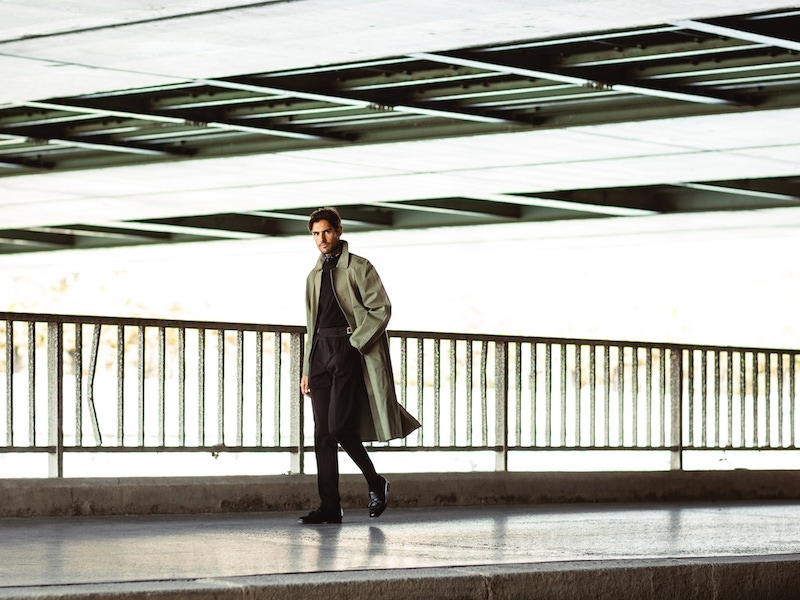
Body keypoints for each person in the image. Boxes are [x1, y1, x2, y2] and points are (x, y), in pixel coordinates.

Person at [299, 207, 420, 524]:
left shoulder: (359, 267)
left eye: (326, 232)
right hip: (320, 353)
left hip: (347, 348)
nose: (321, 239)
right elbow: (311, 325)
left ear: (338, 230)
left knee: (339, 426)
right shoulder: (314, 275)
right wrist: (307, 368)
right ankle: (329, 506)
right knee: (322, 433)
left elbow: (381, 308)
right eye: (315, 234)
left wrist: (355, 343)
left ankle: (375, 481)